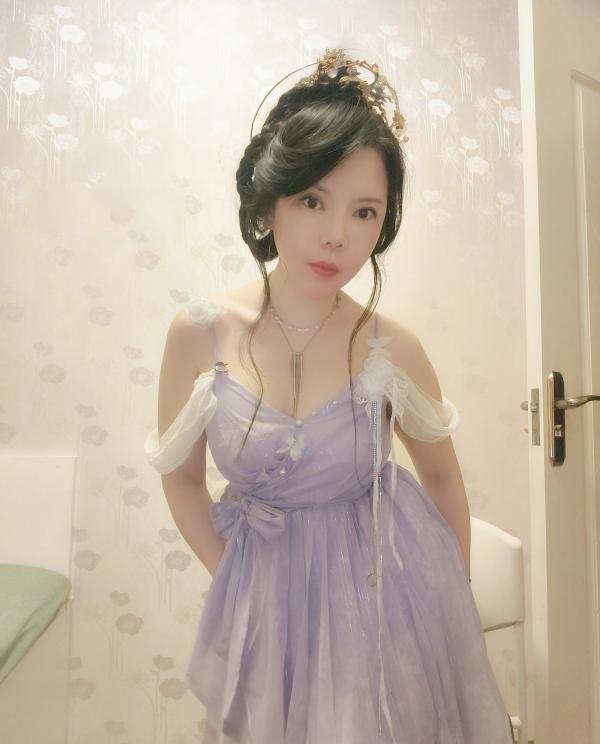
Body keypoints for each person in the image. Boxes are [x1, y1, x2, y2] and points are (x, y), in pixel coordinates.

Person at [144, 47, 515, 744]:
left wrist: (446, 614)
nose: (338, 235)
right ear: (270, 202)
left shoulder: (393, 348)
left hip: (381, 611)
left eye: (365, 211)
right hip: (263, 615)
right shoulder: (199, 332)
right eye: (313, 200)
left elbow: (442, 479)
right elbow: (182, 480)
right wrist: (241, 581)